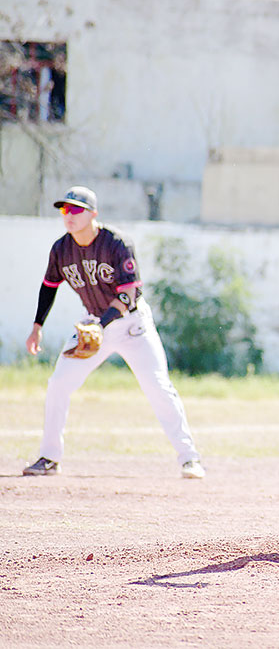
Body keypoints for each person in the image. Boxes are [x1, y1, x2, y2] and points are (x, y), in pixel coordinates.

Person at [22, 186, 205, 480]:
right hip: (93, 323)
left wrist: (100, 325)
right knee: (59, 383)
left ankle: (189, 458)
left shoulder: (116, 243)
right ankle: (49, 457)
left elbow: (129, 294)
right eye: (64, 209)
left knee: (158, 387)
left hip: (132, 325)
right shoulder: (61, 249)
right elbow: (49, 286)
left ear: (93, 214)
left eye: (76, 209)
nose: (69, 215)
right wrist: (37, 327)